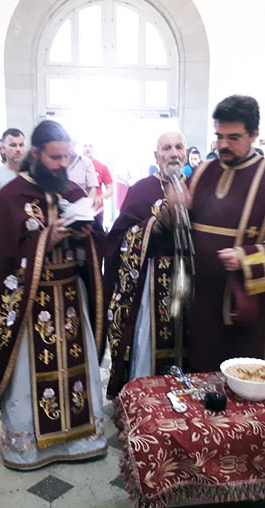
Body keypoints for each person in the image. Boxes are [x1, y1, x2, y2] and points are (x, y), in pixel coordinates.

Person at [0, 120, 107, 471]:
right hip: (29, 303)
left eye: (68, 157)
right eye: (55, 157)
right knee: (28, 374)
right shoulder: (11, 197)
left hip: (71, 297)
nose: (62, 164)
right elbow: (3, 260)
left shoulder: (73, 191)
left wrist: (85, 234)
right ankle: (29, 446)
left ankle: (80, 437)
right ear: (36, 154)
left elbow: (97, 241)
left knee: (77, 368)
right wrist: (44, 241)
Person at [185, 95, 265, 372]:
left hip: (246, 306)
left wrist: (248, 258)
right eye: (219, 137)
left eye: (233, 137)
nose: (223, 145)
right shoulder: (202, 173)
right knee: (199, 373)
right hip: (200, 302)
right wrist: (172, 212)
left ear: (254, 135)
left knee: (245, 377)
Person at [104, 131, 186, 397]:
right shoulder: (142, 189)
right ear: (156, 155)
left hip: (189, 281)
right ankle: (146, 402)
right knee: (147, 345)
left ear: (185, 153)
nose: (173, 153)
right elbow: (118, 239)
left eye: (178, 147)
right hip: (150, 284)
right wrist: (156, 224)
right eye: (166, 148)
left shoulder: (197, 187)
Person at [0, 128, 26, 215]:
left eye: (21, 145)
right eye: (13, 145)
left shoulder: (34, 172)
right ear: (3, 149)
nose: (18, 149)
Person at [82, 142, 114, 225]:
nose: (87, 149)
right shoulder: (75, 166)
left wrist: (100, 197)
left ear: (94, 149)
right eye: (85, 146)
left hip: (97, 211)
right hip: (80, 209)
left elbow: (110, 190)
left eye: (90, 146)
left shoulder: (102, 167)